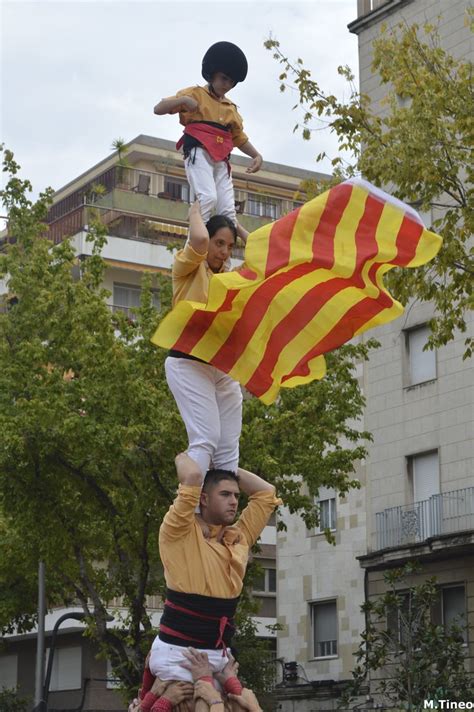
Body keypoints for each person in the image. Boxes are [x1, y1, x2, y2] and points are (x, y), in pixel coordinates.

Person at [148, 453, 281, 682]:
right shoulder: (179, 533)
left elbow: (266, 493)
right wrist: (190, 456)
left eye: (236, 495)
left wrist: (227, 465)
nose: (233, 501)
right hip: (181, 653)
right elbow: (191, 475)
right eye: (225, 494)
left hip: (220, 655)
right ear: (204, 499)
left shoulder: (238, 537)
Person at [161, 201, 249, 477]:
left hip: (221, 367)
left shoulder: (230, 278)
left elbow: (265, 255)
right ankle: (190, 512)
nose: (223, 252)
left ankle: (219, 517)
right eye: (219, 243)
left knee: (228, 447)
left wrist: (236, 225)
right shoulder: (187, 268)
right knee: (206, 439)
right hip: (187, 363)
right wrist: (196, 209)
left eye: (229, 246)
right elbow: (198, 238)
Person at [153, 41, 262, 225]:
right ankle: (192, 249)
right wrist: (185, 101)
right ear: (212, 74)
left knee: (228, 210)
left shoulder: (231, 109)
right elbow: (158, 108)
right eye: (223, 78)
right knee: (208, 197)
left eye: (231, 82)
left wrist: (256, 155)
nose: (227, 85)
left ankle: (223, 252)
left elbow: (239, 138)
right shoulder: (195, 94)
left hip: (221, 160)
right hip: (199, 152)